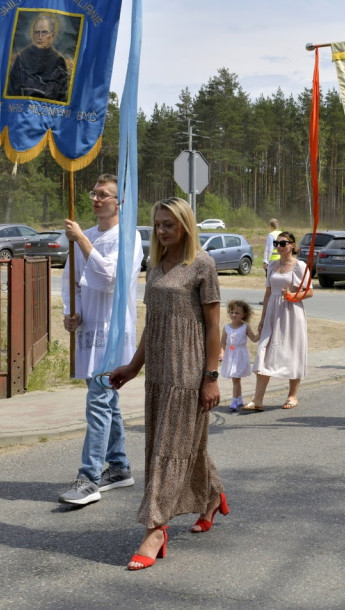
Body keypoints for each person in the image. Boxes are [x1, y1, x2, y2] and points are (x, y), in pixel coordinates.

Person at [108, 197, 227, 571]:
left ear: (186, 226)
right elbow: (154, 323)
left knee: (167, 449)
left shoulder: (202, 265)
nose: (161, 231)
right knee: (179, 442)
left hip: (189, 372)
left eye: (168, 225)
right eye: (158, 224)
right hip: (159, 371)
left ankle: (155, 529)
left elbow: (213, 327)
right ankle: (213, 495)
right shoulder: (156, 266)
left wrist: (210, 378)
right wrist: (132, 366)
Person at [57, 175, 144, 505]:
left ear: (118, 203)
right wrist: (71, 312)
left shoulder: (128, 237)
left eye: (104, 195)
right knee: (107, 401)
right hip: (89, 327)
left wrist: (81, 239)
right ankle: (119, 467)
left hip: (113, 330)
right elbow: (70, 281)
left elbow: (110, 278)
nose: (96, 199)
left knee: (98, 401)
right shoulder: (86, 236)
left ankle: (89, 477)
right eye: (94, 194)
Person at [243, 231, 312, 411]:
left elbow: (309, 291)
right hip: (273, 311)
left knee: (293, 350)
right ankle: (258, 399)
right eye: (277, 243)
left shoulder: (300, 266)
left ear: (292, 246)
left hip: (291, 313)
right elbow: (267, 293)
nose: (279, 247)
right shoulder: (272, 266)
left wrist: (293, 296)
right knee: (264, 350)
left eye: (283, 243)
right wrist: (263, 316)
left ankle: (292, 395)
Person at [6, 12, 70, 102]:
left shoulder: (58, 60)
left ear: (53, 35)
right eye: (37, 32)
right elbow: (11, 90)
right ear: (32, 34)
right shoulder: (22, 57)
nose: (40, 37)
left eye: (44, 32)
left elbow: (61, 96)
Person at [221, 299, 258, 411]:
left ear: (243, 314)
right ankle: (239, 399)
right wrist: (222, 353)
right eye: (232, 312)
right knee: (235, 379)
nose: (234, 315)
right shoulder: (226, 327)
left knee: (236, 379)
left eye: (237, 313)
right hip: (230, 354)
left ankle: (234, 400)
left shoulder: (245, 327)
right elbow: (222, 341)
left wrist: (262, 333)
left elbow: (254, 338)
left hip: (240, 355)